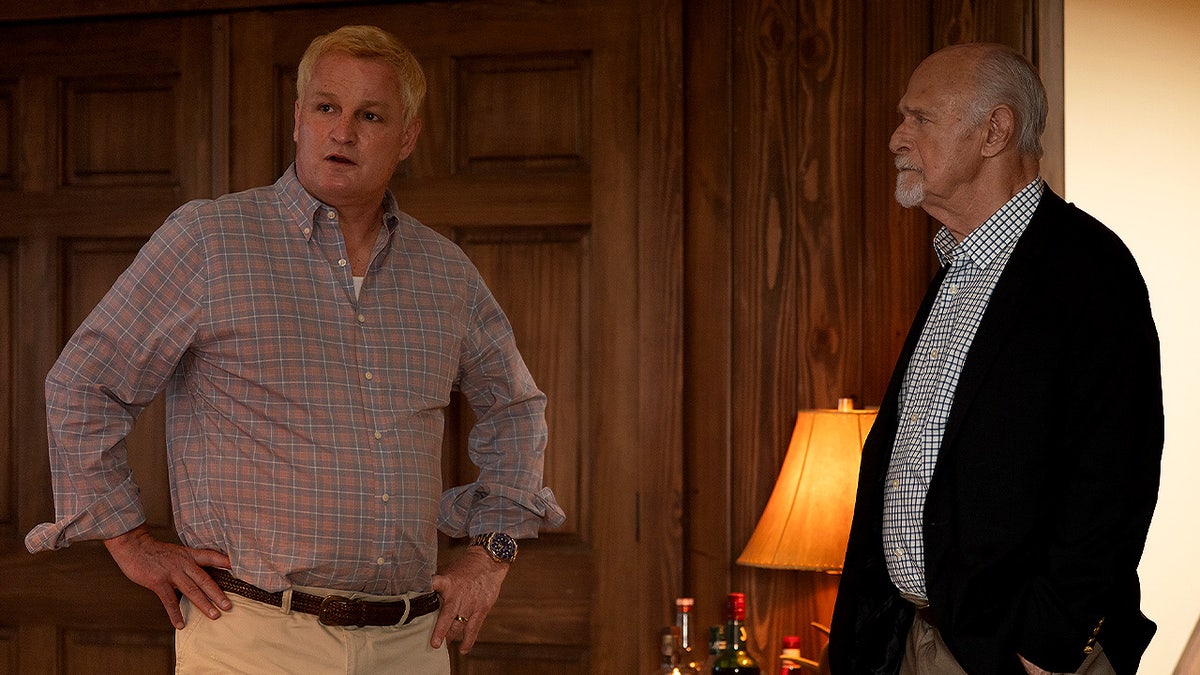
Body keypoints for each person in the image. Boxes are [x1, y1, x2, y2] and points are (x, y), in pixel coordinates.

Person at [25, 24, 564, 674]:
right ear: (298, 120)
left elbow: (516, 410)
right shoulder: (209, 241)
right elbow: (85, 382)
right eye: (326, 107)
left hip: (409, 644)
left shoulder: (445, 273)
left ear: (407, 136)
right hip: (254, 642)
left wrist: (491, 553)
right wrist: (128, 538)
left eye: (370, 115)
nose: (343, 131)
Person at [828, 43, 1162, 675]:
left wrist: (1047, 646)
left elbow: (1115, 478)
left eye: (920, 117)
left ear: (995, 131)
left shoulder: (1089, 270)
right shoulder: (955, 268)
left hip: (1018, 656)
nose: (897, 137)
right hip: (917, 638)